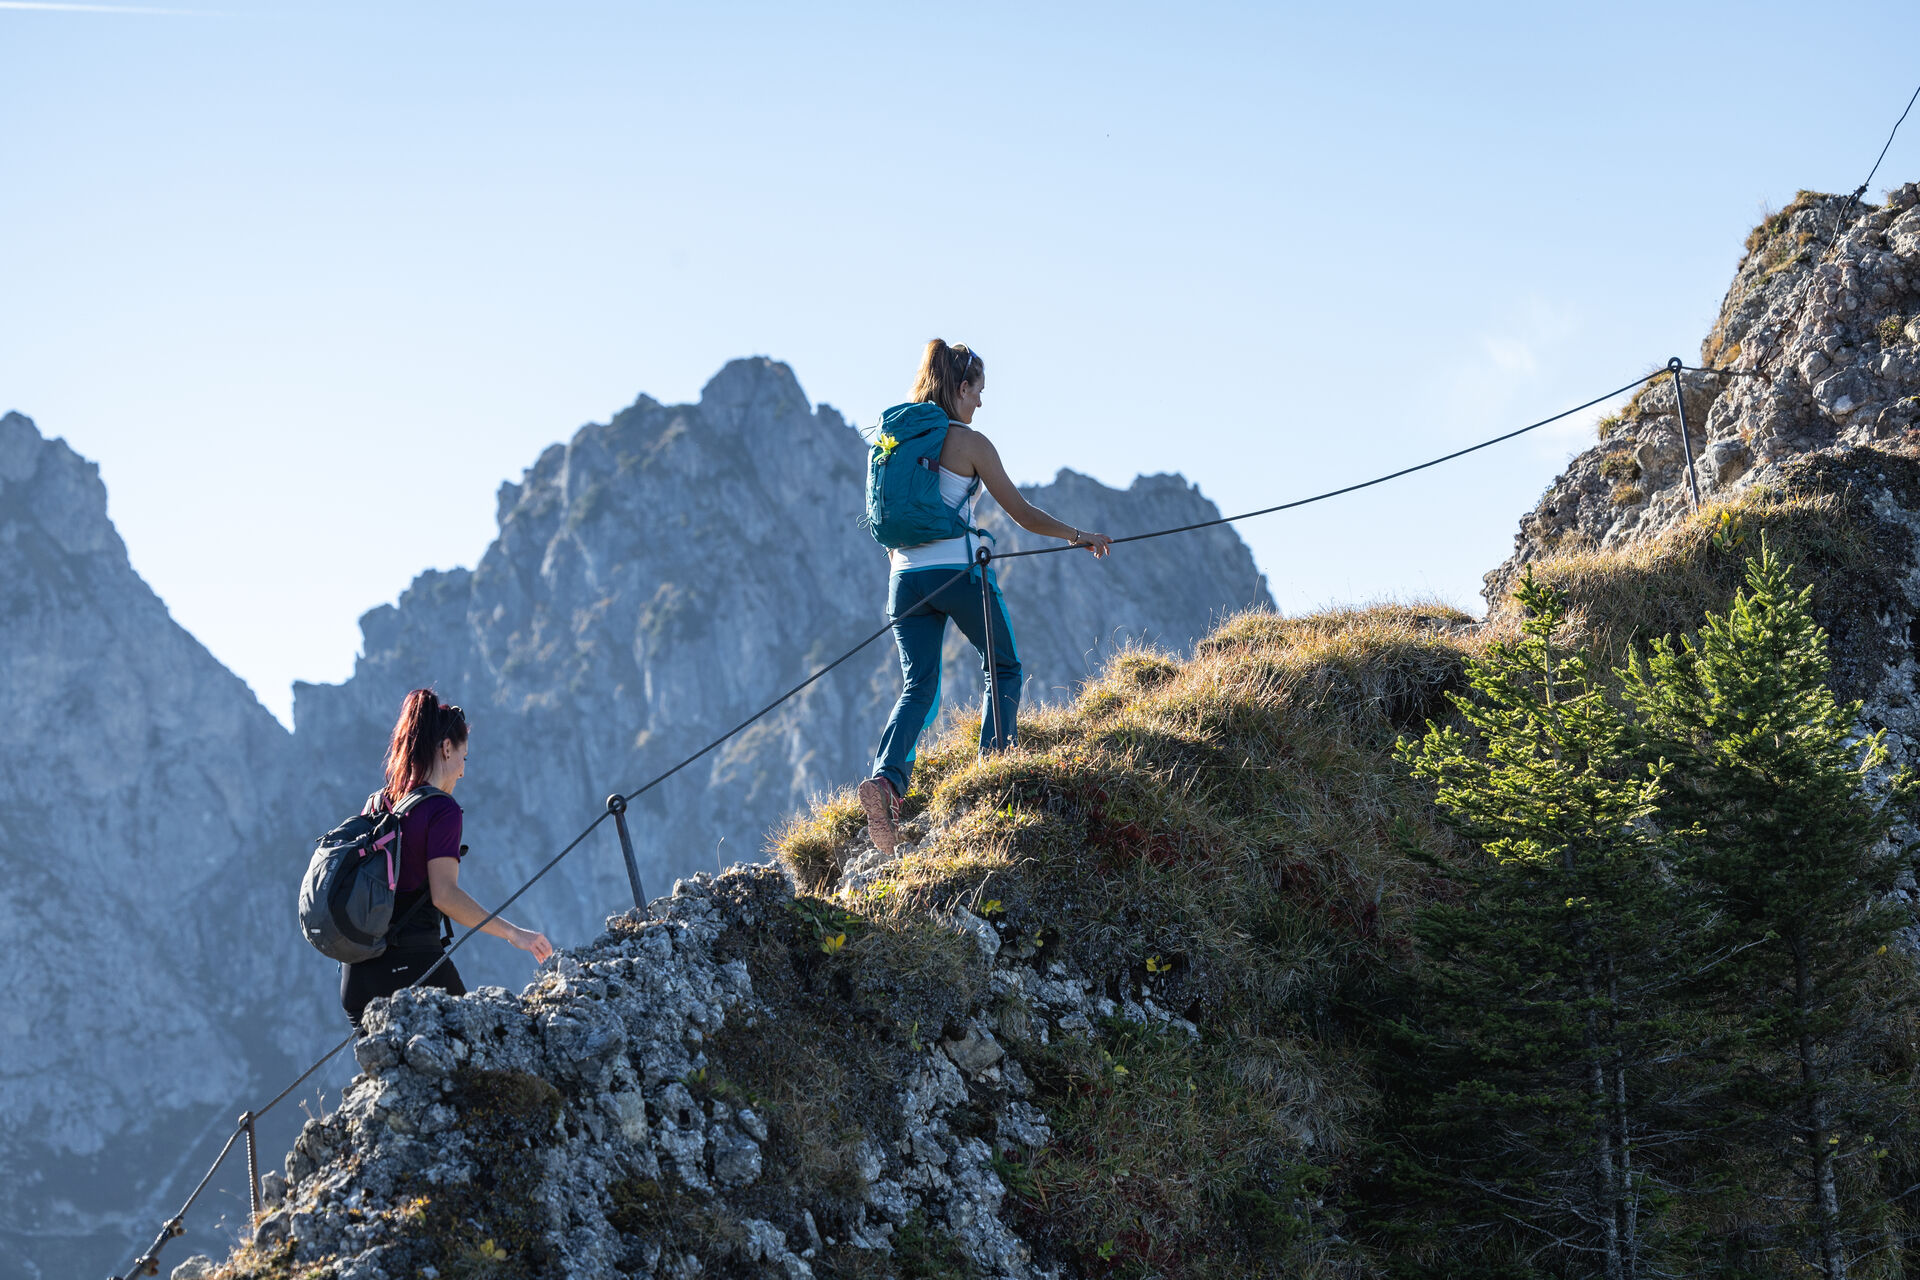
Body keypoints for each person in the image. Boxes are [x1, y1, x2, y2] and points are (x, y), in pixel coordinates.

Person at [858, 340, 1112, 856]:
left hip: (903, 580)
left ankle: (886, 782)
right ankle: (994, 769)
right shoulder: (968, 442)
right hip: (959, 571)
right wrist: (1077, 535)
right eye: (978, 391)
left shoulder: (896, 442)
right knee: (1004, 667)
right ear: (961, 386)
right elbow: (1021, 512)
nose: (980, 403)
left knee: (919, 686)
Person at [340, 689, 553, 1028]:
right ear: (447, 748)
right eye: (464, 759)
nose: (463, 772)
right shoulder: (441, 809)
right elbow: (445, 895)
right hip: (410, 964)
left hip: (355, 978)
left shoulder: (378, 803)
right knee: (482, 1051)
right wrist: (514, 933)